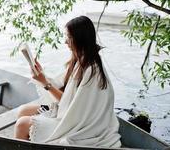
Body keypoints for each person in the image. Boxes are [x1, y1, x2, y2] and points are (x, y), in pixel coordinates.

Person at [14, 16, 122, 148]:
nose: (65, 41)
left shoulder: (91, 70)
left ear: (79, 39)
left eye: (69, 37)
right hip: (70, 115)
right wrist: (41, 75)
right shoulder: (80, 60)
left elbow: (70, 105)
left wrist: (45, 84)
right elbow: (62, 87)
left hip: (80, 125)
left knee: (22, 124)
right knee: (22, 111)